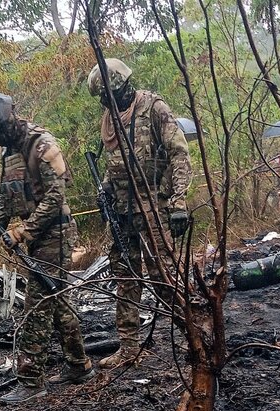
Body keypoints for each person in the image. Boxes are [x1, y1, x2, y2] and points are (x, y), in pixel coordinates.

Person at [0, 91, 96, 404]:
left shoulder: (43, 144)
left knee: (37, 308)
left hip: (55, 234)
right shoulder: (9, 153)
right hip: (36, 236)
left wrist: (24, 231)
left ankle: (31, 380)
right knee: (57, 301)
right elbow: (3, 199)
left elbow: (55, 198)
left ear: (7, 121)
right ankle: (79, 366)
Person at [86, 58, 192, 370]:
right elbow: (112, 162)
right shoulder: (109, 118)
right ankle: (129, 347)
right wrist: (104, 188)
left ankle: (191, 335)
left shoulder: (154, 108)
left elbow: (179, 154)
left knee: (164, 277)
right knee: (126, 279)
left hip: (154, 208)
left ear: (121, 87)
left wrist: (179, 202)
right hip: (122, 211)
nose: (105, 102)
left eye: (107, 95)